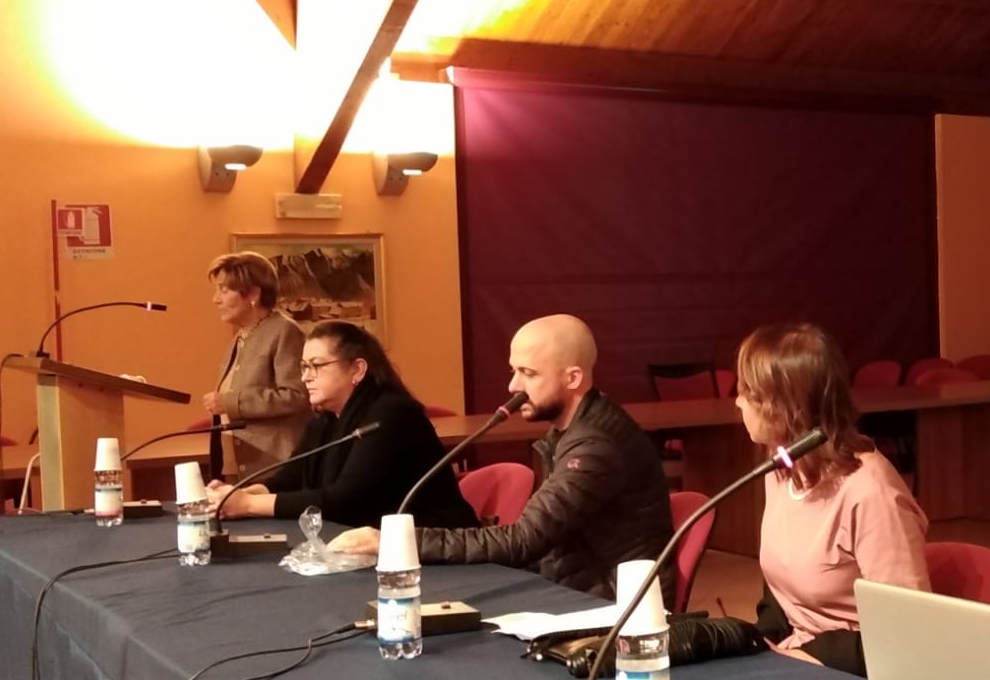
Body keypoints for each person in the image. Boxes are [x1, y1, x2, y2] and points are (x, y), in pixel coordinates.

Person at [330, 314, 673, 599]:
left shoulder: (595, 446)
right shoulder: (576, 429)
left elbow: (523, 540)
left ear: (573, 378)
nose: (513, 386)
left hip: (614, 607)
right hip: (576, 586)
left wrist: (394, 541)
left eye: (529, 373)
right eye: (514, 371)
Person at [738, 323, 930, 677]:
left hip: (856, 675)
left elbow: (907, 633)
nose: (738, 402)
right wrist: (758, 643)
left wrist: (803, 657)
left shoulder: (869, 491)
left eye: (748, 392)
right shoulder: (781, 468)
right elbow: (780, 594)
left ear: (784, 407)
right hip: (797, 661)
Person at [208, 321, 477, 531]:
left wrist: (249, 504)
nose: (305, 377)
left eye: (316, 366)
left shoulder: (391, 414)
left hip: (427, 546)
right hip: (364, 542)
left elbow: (344, 501)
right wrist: (237, 495)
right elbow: (289, 478)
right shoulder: (326, 419)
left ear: (357, 370)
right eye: (303, 367)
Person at [201, 252, 308, 478]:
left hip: (272, 468)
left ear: (253, 294)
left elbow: (296, 395)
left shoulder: (284, 331)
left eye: (224, 290)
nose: (215, 299)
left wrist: (231, 402)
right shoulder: (240, 337)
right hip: (237, 466)